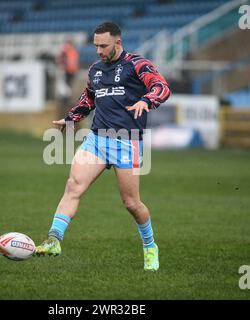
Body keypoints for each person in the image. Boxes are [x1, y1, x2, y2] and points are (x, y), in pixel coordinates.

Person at [36, 22, 170, 271]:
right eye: (96, 45)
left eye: (103, 46)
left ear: (118, 43)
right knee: (73, 186)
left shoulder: (137, 64)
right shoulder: (95, 69)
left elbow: (161, 87)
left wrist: (146, 101)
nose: (98, 50)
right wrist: (71, 117)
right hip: (97, 139)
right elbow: (88, 99)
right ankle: (54, 239)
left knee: (131, 203)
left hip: (127, 141)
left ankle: (150, 246)